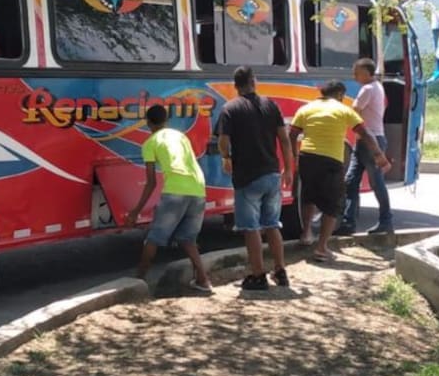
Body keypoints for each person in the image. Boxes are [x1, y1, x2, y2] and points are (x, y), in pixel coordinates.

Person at [290, 80, 391, 262]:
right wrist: (378, 154)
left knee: (308, 196)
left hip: (307, 157)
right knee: (333, 204)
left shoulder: (306, 109)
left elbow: (292, 133)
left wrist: (294, 156)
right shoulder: (344, 110)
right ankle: (321, 248)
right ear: (339, 95)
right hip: (330, 160)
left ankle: (306, 234)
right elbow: (365, 133)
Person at [217, 65, 294, 290]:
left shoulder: (230, 109)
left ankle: (258, 275)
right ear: (254, 82)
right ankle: (280, 271)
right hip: (272, 173)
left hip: (247, 177)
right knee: (272, 225)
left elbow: (223, 140)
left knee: (250, 228)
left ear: (235, 86)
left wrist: (226, 157)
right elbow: (284, 139)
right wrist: (288, 169)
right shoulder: (271, 105)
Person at [125, 105, 213, 294]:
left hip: (175, 190)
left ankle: (139, 279)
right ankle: (203, 280)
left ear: (148, 123)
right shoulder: (180, 136)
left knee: (154, 238)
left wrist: (136, 210)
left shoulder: (150, 143)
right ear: (166, 120)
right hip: (198, 187)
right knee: (188, 239)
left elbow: (151, 182)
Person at [340, 58, 394, 235]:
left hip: (371, 141)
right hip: (365, 140)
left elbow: (353, 111)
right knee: (351, 181)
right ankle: (348, 222)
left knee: (376, 182)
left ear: (366, 73)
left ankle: (386, 220)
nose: (354, 76)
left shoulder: (367, 89)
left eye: (357, 72)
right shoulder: (377, 86)